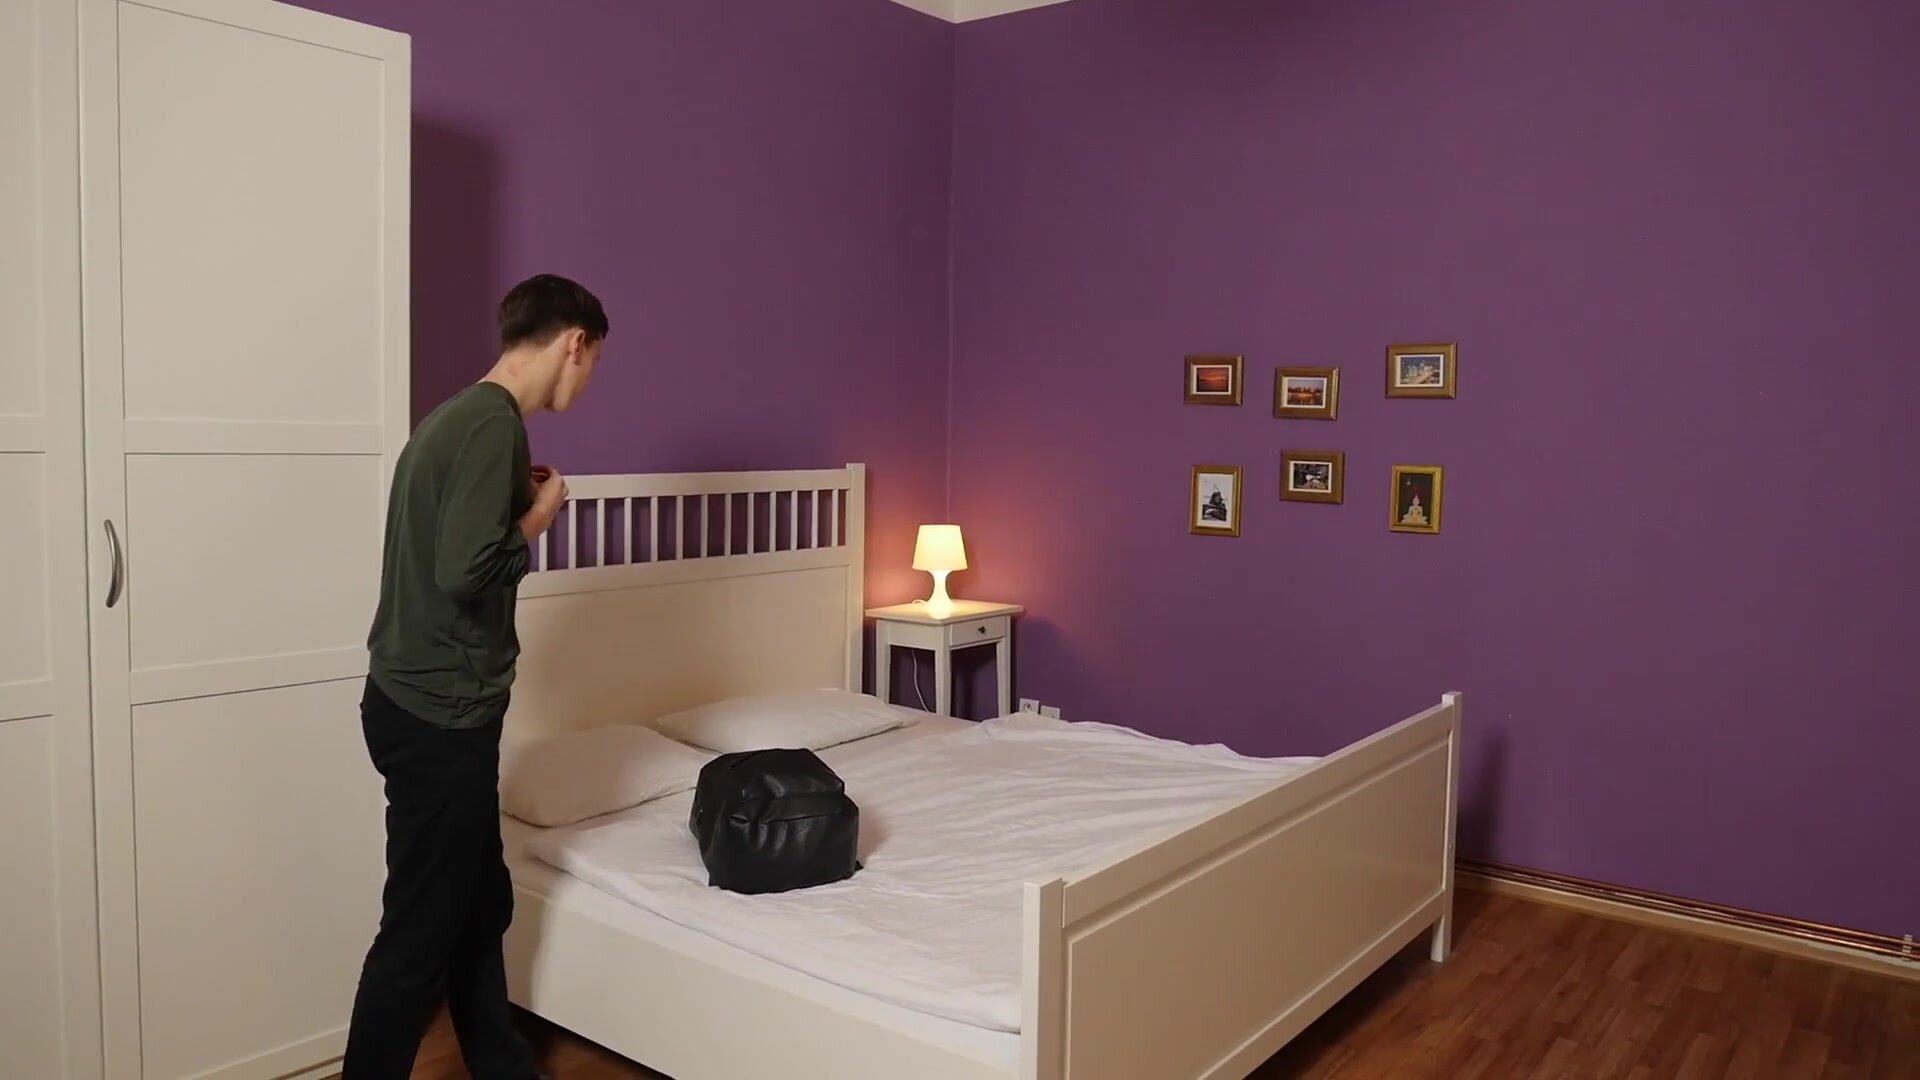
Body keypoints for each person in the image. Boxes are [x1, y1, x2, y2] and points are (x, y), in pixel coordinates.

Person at [343, 274, 608, 1079]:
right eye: (594, 361)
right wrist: (540, 516)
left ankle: (500, 1062)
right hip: (440, 713)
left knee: (479, 899)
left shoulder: (457, 418)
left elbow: (446, 544)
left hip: (413, 701)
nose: (588, 379)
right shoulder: (495, 427)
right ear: (574, 343)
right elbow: (467, 571)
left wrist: (509, 501)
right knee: (420, 928)